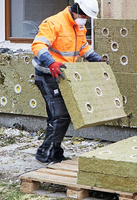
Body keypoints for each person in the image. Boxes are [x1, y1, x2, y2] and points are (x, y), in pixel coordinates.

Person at [31, 0, 107, 165]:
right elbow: (38, 45)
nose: (85, 18)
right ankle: (45, 154)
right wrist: (51, 62)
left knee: (63, 115)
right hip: (47, 75)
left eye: (87, 16)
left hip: (64, 76)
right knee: (58, 115)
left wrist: (97, 59)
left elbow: (83, 48)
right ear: (76, 8)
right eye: (83, 15)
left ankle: (54, 152)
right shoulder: (53, 23)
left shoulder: (79, 26)